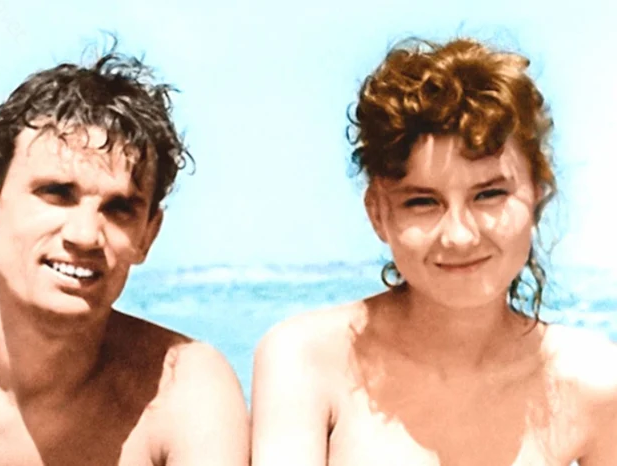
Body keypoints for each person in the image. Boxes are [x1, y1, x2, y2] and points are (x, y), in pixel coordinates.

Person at [251, 37, 617, 465]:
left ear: (537, 196)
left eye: (489, 195)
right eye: (423, 202)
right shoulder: (306, 360)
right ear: (377, 212)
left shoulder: (593, 381)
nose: (459, 236)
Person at [0, 45, 249, 465]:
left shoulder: (180, 393)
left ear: (148, 235)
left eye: (119, 209)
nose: (85, 235)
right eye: (57, 193)